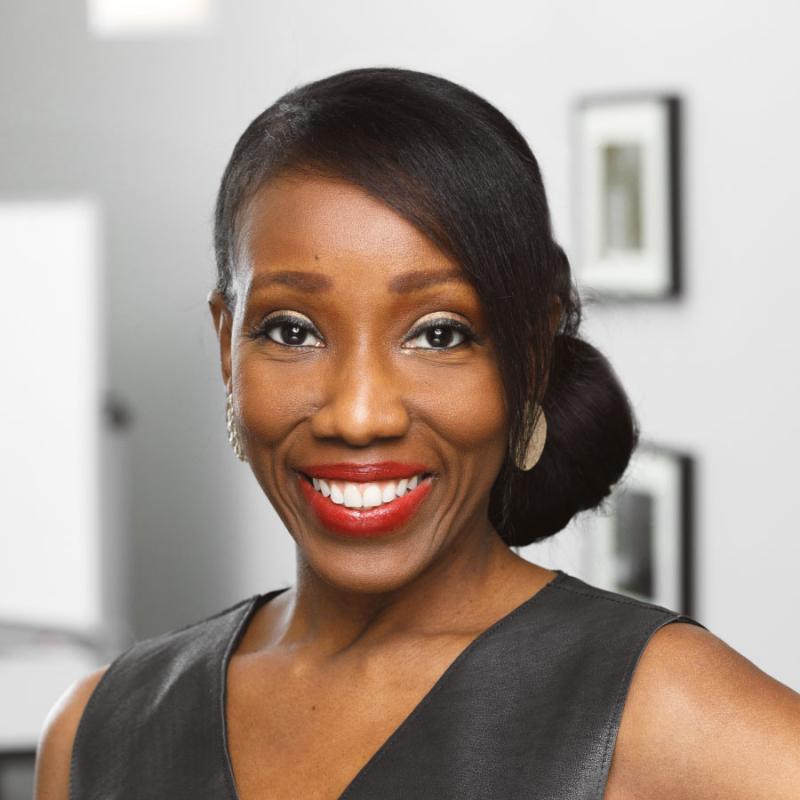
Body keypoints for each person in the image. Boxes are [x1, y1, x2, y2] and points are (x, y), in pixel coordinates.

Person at [35, 67, 799, 800]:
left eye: (439, 335)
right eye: (292, 330)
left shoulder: (665, 716)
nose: (359, 415)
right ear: (226, 347)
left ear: (529, 357)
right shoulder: (96, 735)